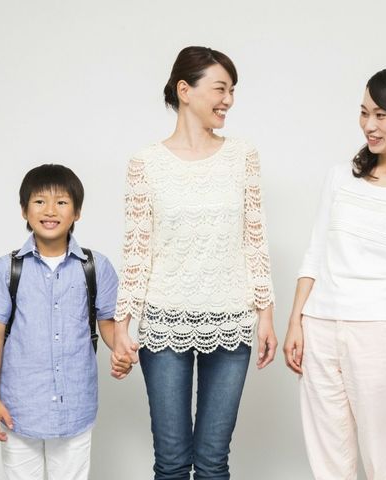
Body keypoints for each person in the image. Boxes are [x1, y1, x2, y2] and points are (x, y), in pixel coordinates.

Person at [111, 46, 277, 480]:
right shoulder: (145, 163)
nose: (229, 100)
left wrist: (266, 314)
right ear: (184, 90)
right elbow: (137, 249)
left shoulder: (242, 156)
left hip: (232, 320)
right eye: (220, 89)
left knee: (213, 462)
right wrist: (123, 323)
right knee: (170, 463)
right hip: (164, 323)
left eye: (232, 91)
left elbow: (254, 239)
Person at [283, 66, 386, 479]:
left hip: (378, 333)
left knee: (385, 461)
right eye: (364, 112)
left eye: (381, 115)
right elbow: (315, 253)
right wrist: (296, 321)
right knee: (329, 463)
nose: (369, 125)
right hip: (319, 327)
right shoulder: (340, 177)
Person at [0, 164, 128, 480]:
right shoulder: (7, 268)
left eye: (62, 202)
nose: (50, 210)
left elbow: (107, 324)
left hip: (75, 408)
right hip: (19, 408)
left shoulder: (96, 266)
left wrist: (121, 348)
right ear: (24, 210)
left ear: (77, 212)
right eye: (40, 201)